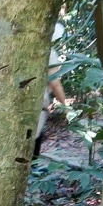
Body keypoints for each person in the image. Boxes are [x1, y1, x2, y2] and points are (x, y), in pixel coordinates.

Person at [34, 22, 68, 158]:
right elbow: (55, 84)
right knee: (33, 140)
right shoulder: (48, 53)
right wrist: (66, 107)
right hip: (37, 103)